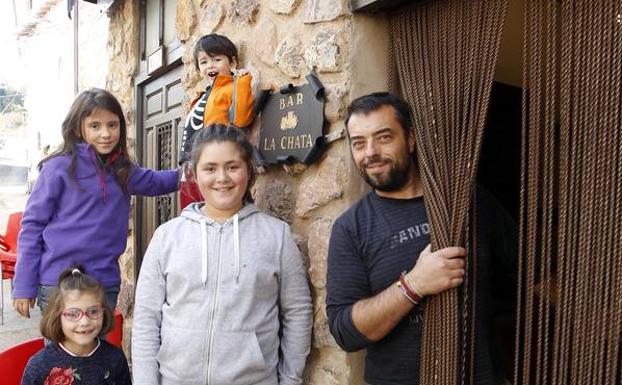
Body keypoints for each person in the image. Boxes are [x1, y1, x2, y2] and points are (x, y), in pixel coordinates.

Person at [326, 92, 517, 385]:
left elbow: (531, 274)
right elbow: (345, 332)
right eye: (359, 143)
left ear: (411, 139)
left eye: (384, 137)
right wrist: (414, 285)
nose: (371, 153)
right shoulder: (351, 228)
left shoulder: (471, 202)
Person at [132, 124, 312, 385]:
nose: (222, 178)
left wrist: (290, 379)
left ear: (248, 171)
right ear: (194, 174)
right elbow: (147, 319)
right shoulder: (166, 237)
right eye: (210, 168)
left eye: (232, 166)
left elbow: (298, 311)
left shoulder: (277, 236)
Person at [13, 88, 180, 318]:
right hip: (58, 283)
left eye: (113, 125)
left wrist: (200, 171)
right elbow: (32, 226)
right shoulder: (57, 167)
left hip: (104, 283)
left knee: (97, 353)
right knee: (61, 354)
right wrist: (23, 285)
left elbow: (158, 182)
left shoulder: (123, 170)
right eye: (95, 126)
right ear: (78, 128)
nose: (106, 133)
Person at [178, 33, 255, 208]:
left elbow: (242, 119)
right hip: (191, 170)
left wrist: (242, 82)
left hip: (214, 166)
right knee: (193, 219)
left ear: (233, 63)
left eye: (217, 59)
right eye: (204, 62)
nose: (210, 65)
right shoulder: (200, 98)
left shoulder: (231, 89)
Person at [20, 267, 131, 385]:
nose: (84, 322)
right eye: (73, 314)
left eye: (93, 311)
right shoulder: (39, 366)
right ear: (57, 317)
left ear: (104, 313)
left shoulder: (115, 358)